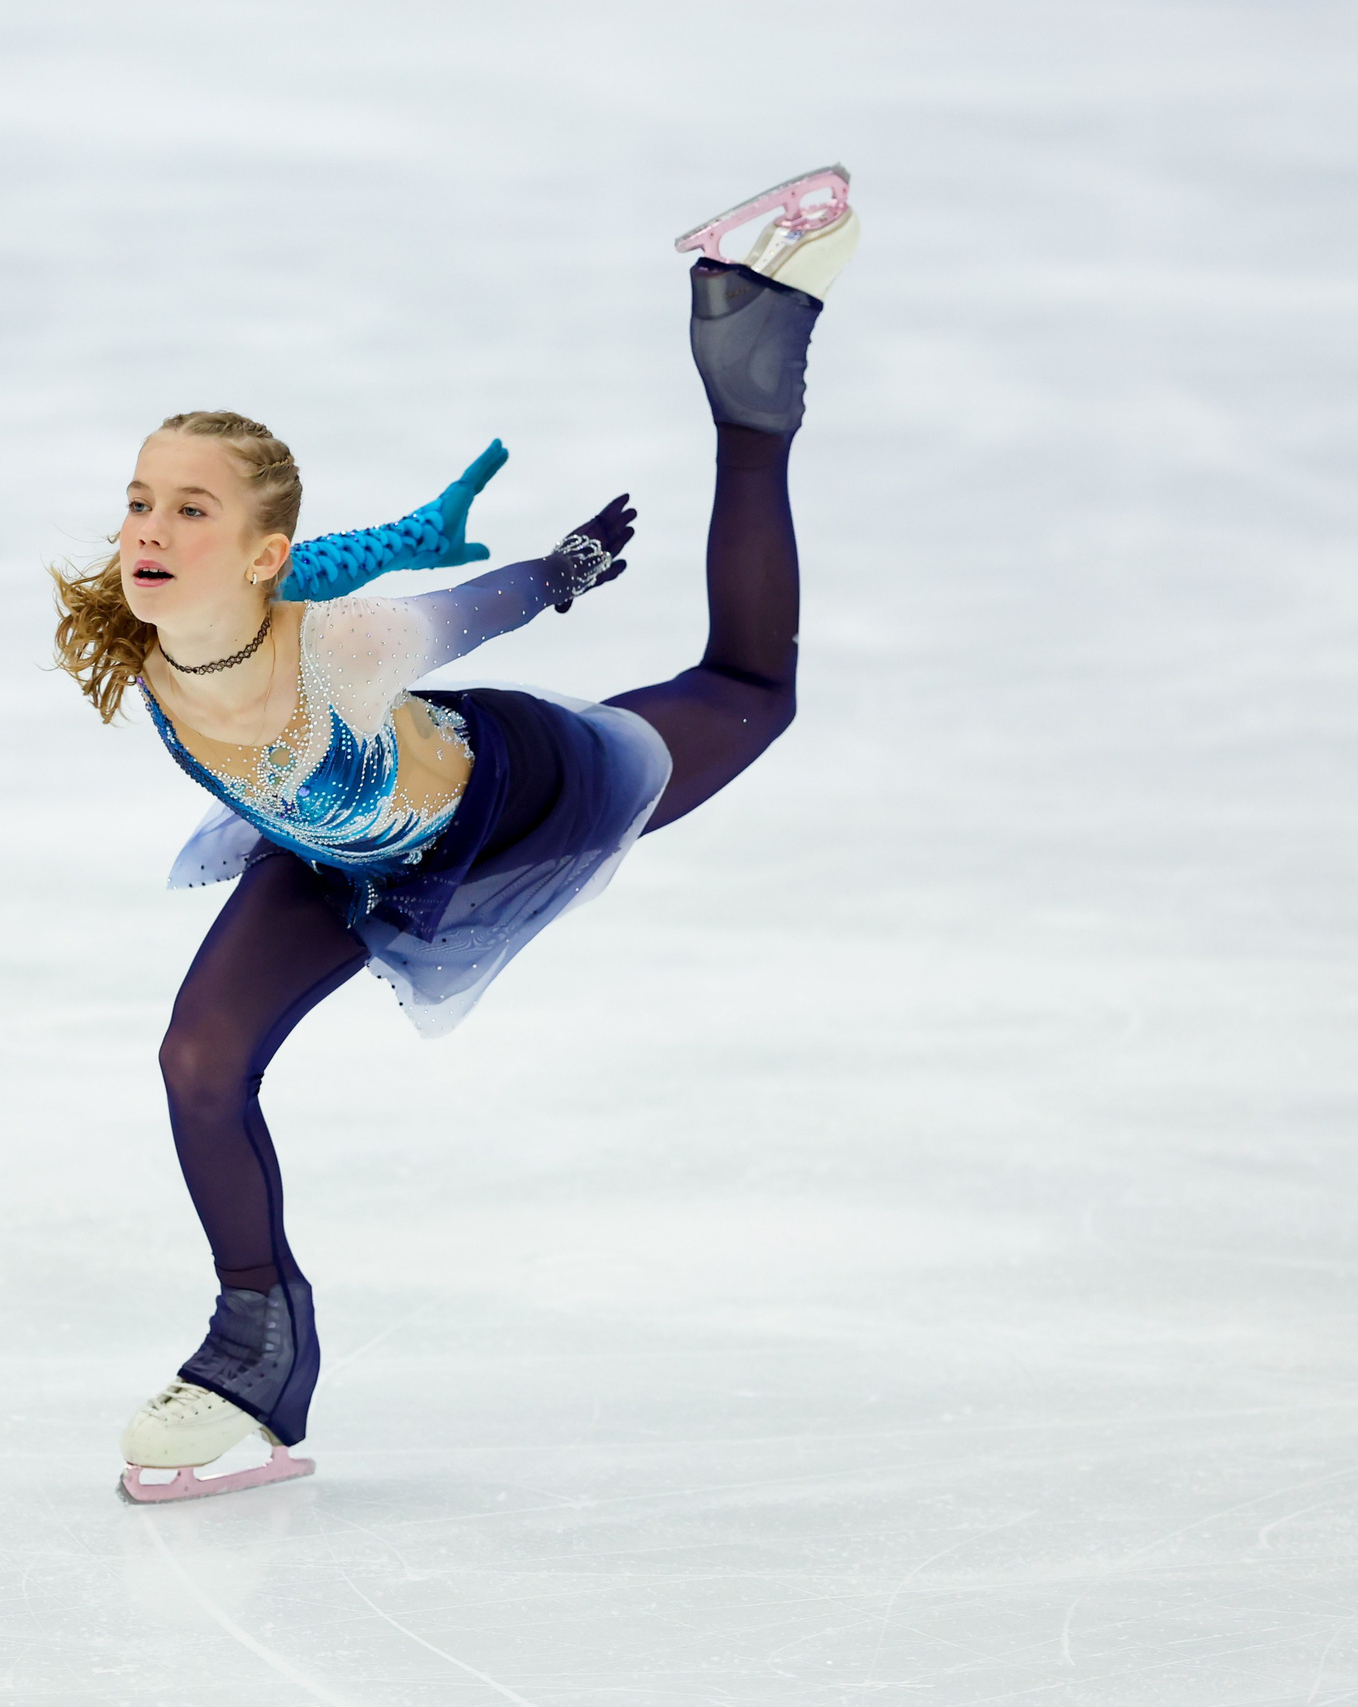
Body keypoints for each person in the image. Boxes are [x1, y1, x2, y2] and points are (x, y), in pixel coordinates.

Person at [50, 167, 863, 1502]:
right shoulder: (147, 624)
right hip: (333, 849)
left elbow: (452, 615)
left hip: (503, 806)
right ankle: (254, 1357)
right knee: (198, 1057)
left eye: (188, 512)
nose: (147, 530)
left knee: (748, 695)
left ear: (254, 556)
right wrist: (400, 530)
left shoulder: (344, 651)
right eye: (143, 500)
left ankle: (754, 362)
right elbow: (314, 559)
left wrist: (548, 578)